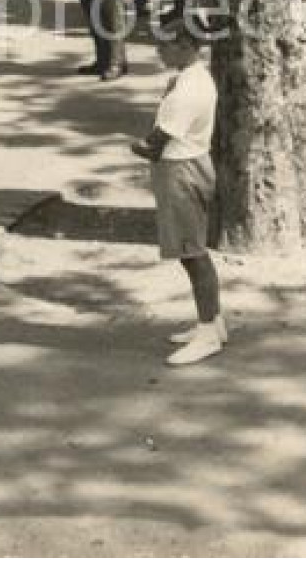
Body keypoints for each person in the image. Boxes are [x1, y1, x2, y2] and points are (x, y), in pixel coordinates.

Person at [130, 21, 227, 366]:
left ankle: (207, 334)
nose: (159, 51)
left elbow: (154, 144)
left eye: (165, 45)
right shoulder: (195, 77)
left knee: (192, 253)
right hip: (193, 164)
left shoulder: (186, 90)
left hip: (180, 171)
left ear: (186, 45)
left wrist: (135, 146)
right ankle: (213, 322)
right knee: (194, 252)